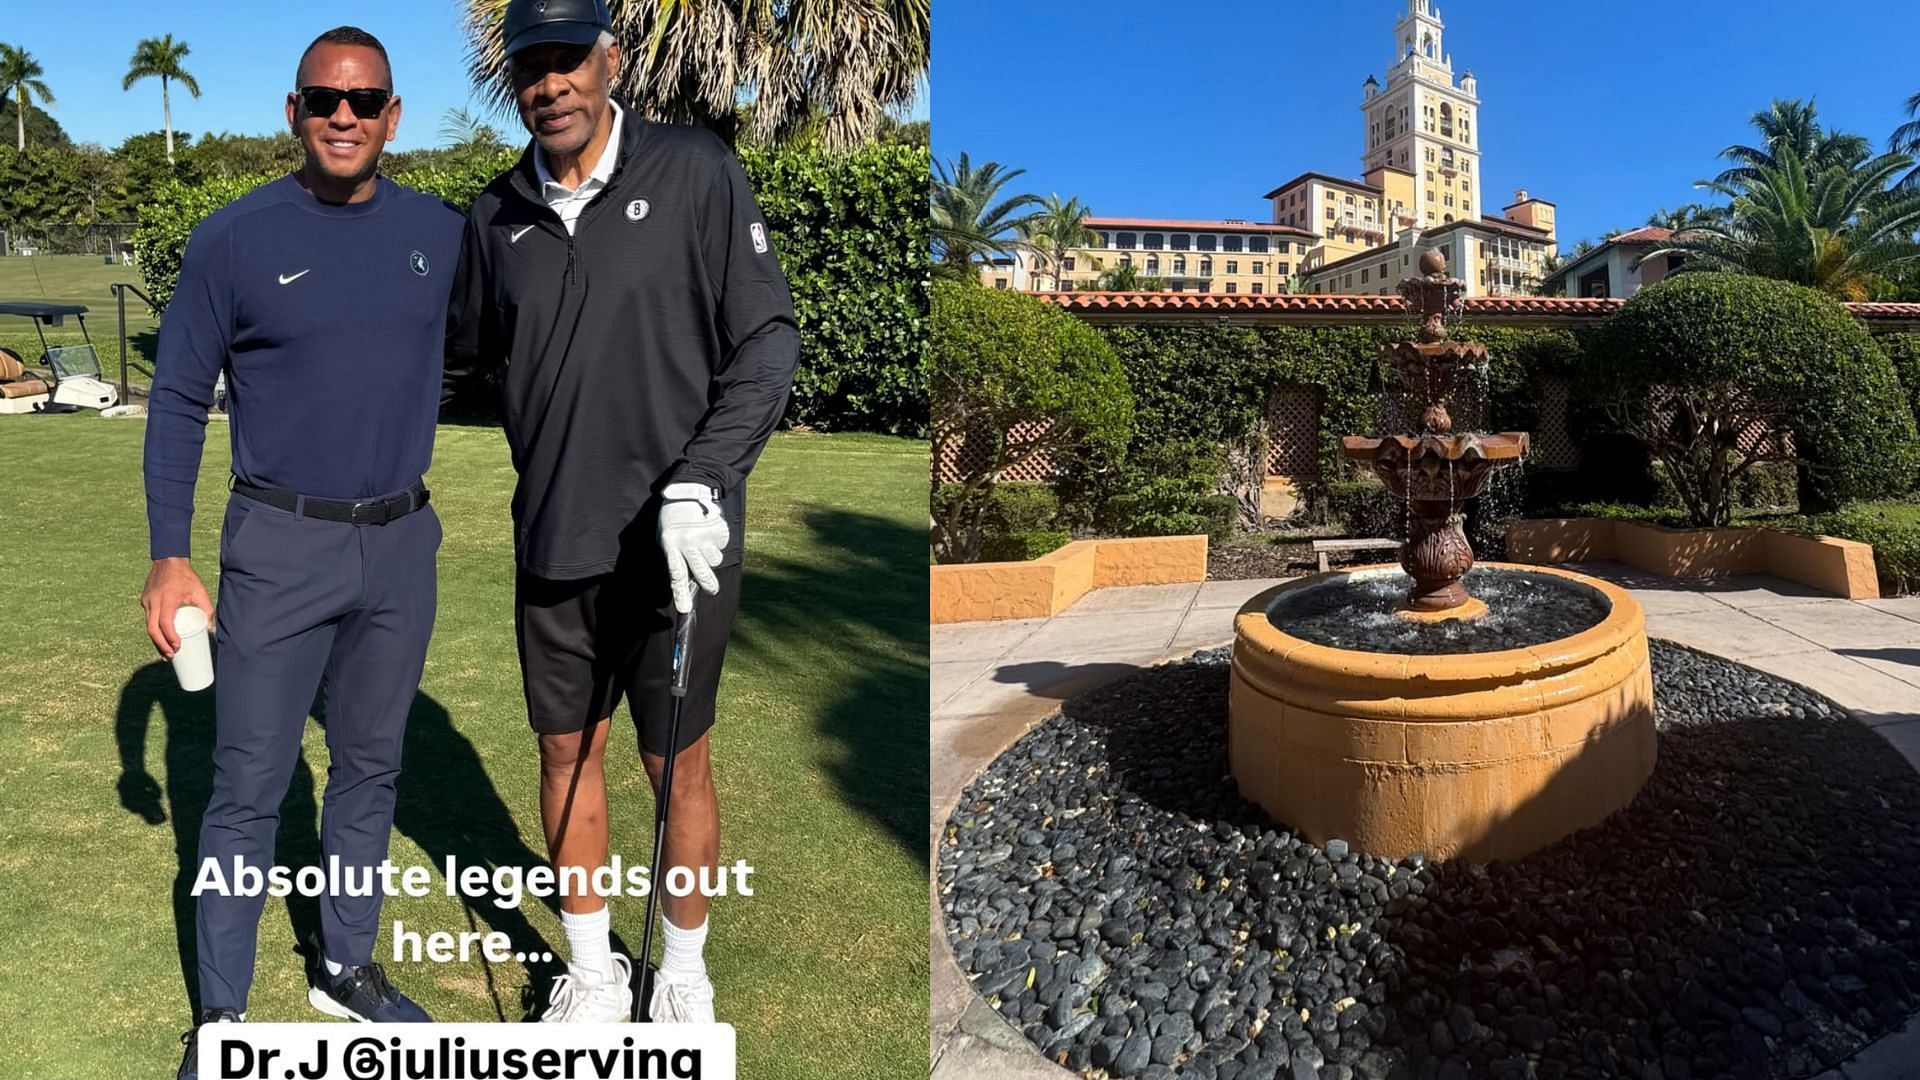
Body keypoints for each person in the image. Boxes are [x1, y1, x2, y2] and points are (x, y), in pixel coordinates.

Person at [445, 0, 799, 1025]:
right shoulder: (494, 215)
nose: (548, 83)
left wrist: (707, 477)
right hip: (555, 535)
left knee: (674, 758)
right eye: (530, 67)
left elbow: (766, 342)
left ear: (609, 61)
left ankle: (681, 969)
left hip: (678, 543)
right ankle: (595, 972)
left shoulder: (694, 173)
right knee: (566, 752)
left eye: (567, 61)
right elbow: (454, 363)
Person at [140, 26, 462, 1078]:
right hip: (278, 543)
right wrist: (169, 556)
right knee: (247, 784)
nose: (344, 115)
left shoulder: (442, 235)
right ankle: (223, 1016)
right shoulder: (233, 238)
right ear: (293, 110)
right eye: (325, 97)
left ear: (393, 117)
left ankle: (346, 966)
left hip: (401, 543)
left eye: (365, 100)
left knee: (370, 768)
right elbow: (180, 400)